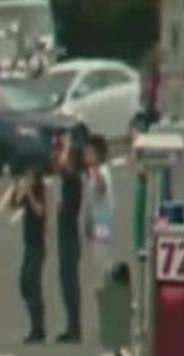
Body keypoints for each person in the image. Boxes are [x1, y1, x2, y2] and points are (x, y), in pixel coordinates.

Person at [13, 167, 48, 343]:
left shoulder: (40, 194)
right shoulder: (27, 195)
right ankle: (36, 320)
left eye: (31, 178)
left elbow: (40, 212)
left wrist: (30, 194)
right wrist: (16, 188)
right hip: (29, 246)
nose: (28, 180)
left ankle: (38, 327)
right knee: (24, 284)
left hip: (37, 246)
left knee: (33, 285)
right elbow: (14, 205)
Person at [55, 133, 83, 343]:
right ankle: (71, 326)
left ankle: (74, 328)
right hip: (65, 234)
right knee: (66, 283)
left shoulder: (74, 178)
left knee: (70, 283)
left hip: (70, 236)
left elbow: (63, 165)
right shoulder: (69, 179)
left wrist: (66, 145)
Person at [83, 135, 114, 292]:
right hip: (98, 223)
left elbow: (102, 188)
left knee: (102, 259)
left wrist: (95, 172)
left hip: (103, 224)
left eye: (90, 153)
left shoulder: (101, 172)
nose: (86, 156)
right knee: (99, 259)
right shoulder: (92, 174)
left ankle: (107, 290)